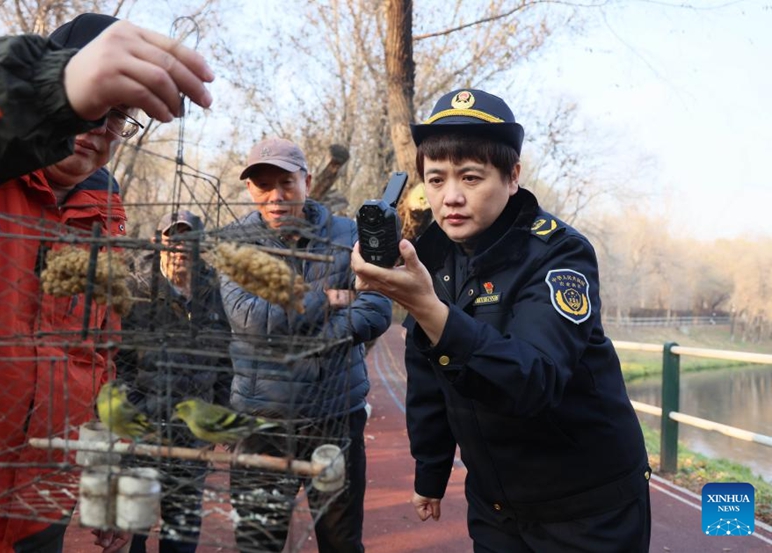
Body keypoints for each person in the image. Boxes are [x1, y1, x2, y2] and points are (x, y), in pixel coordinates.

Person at [0, 12, 213, 553]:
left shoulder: (104, 219)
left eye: (118, 118)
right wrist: (45, 88)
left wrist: (102, 475)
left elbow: (94, 360)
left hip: (34, 520)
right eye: (93, 106)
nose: (100, 129)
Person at [351, 89, 651, 552]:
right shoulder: (429, 255)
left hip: (588, 506)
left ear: (512, 176)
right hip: (495, 506)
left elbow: (535, 379)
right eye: (435, 180)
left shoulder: (558, 254)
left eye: (471, 178)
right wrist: (430, 471)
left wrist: (428, 306)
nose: (450, 197)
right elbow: (429, 377)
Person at [218, 138, 392, 553]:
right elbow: (250, 320)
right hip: (261, 422)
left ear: (307, 181)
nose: (276, 197)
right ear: (249, 189)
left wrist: (315, 340)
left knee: (341, 541)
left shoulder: (349, 233)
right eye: (262, 185)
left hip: (335, 415)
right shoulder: (233, 242)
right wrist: (330, 297)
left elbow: (377, 306)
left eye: (286, 182)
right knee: (258, 541)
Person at [117, 210, 231, 553]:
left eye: (189, 239)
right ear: (158, 240)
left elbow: (226, 365)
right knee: (131, 527)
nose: (180, 246)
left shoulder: (216, 291)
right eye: (173, 237)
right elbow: (117, 362)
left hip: (191, 437)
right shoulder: (135, 289)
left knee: (181, 532)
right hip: (142, 429)